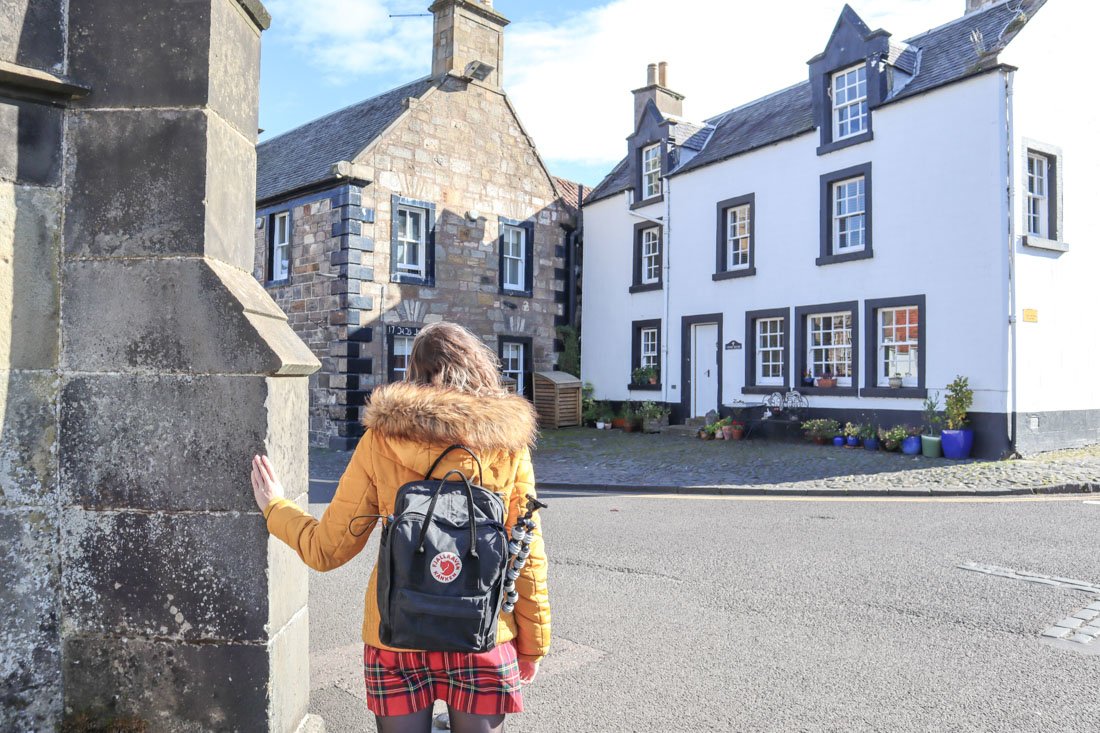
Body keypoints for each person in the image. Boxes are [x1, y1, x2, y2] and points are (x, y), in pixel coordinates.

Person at [250, 321, 550, 733]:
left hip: (397, 631)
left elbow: (328, 548)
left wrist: (275, 507)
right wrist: (533, 645)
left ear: (413, 374)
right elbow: (526, 554)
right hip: (482, 633)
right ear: (479, 366)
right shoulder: (507, 445)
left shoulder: (380, 440)